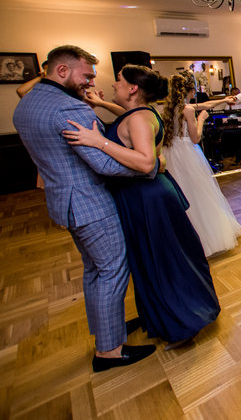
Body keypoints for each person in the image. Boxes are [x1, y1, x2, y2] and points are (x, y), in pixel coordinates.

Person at [13, 45, 157, 372]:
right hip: (89, 203)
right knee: (112, 270)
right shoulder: (70, 108)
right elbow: (103, 164)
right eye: (87, 75)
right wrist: (150, 168)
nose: (91, 82)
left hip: (63, 201)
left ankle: (108, 330)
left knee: (94, 270)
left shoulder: (28, 103)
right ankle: (109, 351)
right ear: (62, 70)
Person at [62, 64, 221, 350]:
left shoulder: (139, 117)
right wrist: (100, 104)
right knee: (156, 257)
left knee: (163, 260)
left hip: (148, 198)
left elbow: (147, 162)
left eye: (119, 80)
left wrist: (99, 142)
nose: (114, 84)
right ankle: (169, 317)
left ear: (133, 88)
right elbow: (128, 120)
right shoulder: (139, 113)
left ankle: (184, 322)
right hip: (144, 196)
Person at [161, 74, 241, 255]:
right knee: (198, 192)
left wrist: (224, 100)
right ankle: (207, 238)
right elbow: (195, 138)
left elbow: (205, 105)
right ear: (190, 90)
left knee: (181, 192)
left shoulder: (169, 108)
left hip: (171, 153)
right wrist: (201, 120)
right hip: (186, 154)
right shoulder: (188, 110)